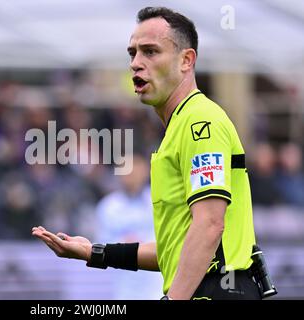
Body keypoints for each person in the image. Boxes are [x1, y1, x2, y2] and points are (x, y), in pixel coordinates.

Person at [32, 7, 271, 300]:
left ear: (186, 60)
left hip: (220, 289)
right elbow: (174, 251)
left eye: (150, 51)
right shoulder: (178, 129)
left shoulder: (200, 122)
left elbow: (210, 224)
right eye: (132, 53)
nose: (136, 63)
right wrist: (93, 252)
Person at [94, 154, 163, 299]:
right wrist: (122, 242)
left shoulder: (159, 200)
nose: (130, 174)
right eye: (125, 169)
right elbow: (100, 243)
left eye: (134, 169)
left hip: (156, 283)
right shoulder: (108, 206)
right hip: (123, 284)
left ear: (145, 170)